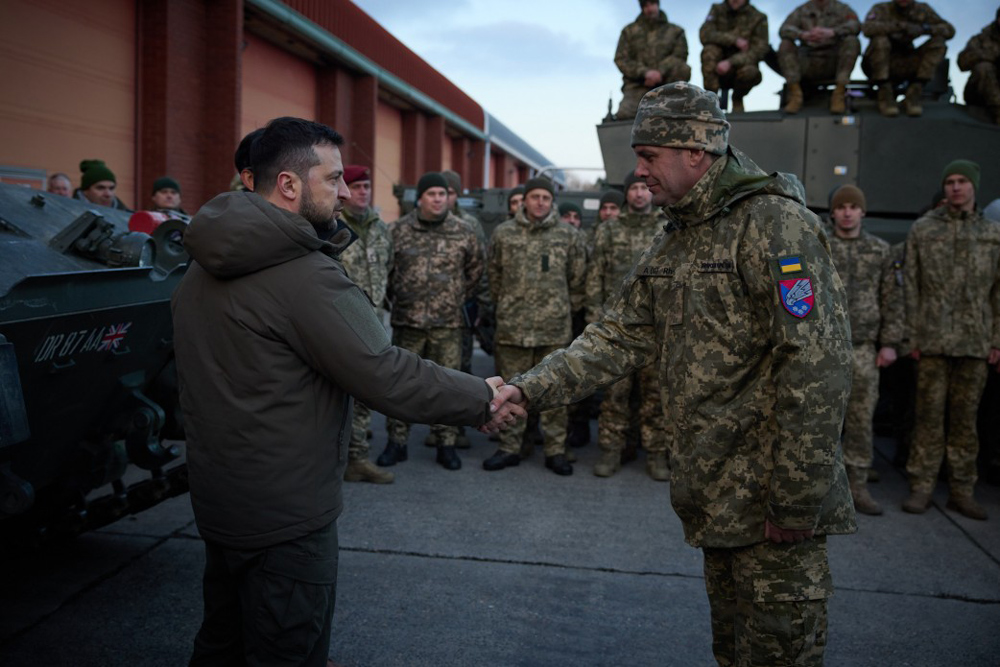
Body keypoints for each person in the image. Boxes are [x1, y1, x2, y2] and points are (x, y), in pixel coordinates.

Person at [486, 82, 856, 665]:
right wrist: (528, 390)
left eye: (649, 156)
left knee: (779, 655)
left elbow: (816, 366)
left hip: (770, 504)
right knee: (734, 651)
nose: (640, 172)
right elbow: (617, 335)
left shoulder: (774, 226)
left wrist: (794, 500)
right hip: (717, 497)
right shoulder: (678, 237)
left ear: (695, 152)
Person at [172, 118, 513, 667]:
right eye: (331, 180)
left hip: (224, 501)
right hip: (287, 515)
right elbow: (383, 371)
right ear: (288, 184)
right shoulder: (303, 274)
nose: (344, 193)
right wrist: (479, 396)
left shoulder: (204, 261)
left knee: (222, 642)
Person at [902, 159, 1000, 521]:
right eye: (950, 182)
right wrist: (910, 334)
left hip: (975, 342)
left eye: (962, 181)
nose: (955, 187)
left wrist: (996, 339)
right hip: (931, 340)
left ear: (974, 186)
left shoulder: (993, 234)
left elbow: (998, 293)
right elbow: (910, 285)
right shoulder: (923, 230)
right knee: (927, 417)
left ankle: (962, 489)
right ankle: (922, 486)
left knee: (965, 420)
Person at [377, 172, 485, 471]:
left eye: (442, 193)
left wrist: (453, 299)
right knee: (401, 385)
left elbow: (475, 273)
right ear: (420, 198)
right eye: (431, 194)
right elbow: (385, 273)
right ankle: (396, 442)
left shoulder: (464, 232)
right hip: (407, 322)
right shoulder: (397, 230)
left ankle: (445, 444)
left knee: (449, 387)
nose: (438, 198)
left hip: (447, 325)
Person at [483, 177, 587, 476]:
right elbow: (494, 278)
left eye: (545, 197)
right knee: (507, 392)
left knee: (555, 393)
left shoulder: (569, 236)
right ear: (524, 200)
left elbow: (577, 281)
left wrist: (560, 309)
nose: (540, 202)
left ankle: (555, 450)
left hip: (553, 331)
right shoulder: (503, 234)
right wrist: (507, 307)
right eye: (534, 196)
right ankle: (510, 447)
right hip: (513, 330)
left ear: (551, 201)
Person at [586, 171, 669, 481]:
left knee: (655, 398)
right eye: (633, 188)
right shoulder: (609, 231)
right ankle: (610, 451)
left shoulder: (667, 228)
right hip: (617, 329)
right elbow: (594, 277)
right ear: (626, 194)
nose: (639, 193)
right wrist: (594, 320)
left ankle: (657, 455)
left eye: (644, 187)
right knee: (615, 396)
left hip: (656, 327)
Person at [827, 184, 904, 515]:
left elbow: (893, 299)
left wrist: (889, 343)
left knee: (860, 420)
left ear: (863, 212)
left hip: (862, 348)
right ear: (833, 212)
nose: (847, 212)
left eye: (853, 207)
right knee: (822, 421)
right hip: (825, 346)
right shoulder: (820, 246)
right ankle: (821, 491)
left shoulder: (880, 251)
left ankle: (857, 487)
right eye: (841, 206)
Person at [338, 164, 395, 484]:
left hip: (373, 323)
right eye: (356, 186)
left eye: (367, 186)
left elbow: (389, 269)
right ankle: (339, 458)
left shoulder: (379, 228)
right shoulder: (330, 227)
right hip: (339, 324)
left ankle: (356, 458)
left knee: (364, 391)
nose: (362, 192)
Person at [861, 0, 955, 117]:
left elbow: (949, 30)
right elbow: (867, 28)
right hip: (880, 64)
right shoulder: (882, 8)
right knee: (880, 41)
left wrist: (924, 28)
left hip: (907, 62)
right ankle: (885, 93)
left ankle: (914, 92)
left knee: (938, 43)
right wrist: (899, 27)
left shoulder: (922, 9)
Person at [777, 0, 862, 114]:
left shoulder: (842, 9)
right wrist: (803, 35)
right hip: (808, 61)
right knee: (785, 44)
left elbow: (855, 25)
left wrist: (833, 32)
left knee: (852, 41)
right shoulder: (802, 10)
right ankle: (795, 95)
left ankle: (839, 93)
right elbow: (785, 29)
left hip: (832, 62)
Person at [614, 0, 691, 119]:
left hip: (668, 84)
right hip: (639, 85)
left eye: (652, 4)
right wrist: (644, 73)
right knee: (625, 115)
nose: (649, 8)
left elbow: (680, 55)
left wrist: (660, 72)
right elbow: (621, 59)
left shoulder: (675, 31)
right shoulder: (629, 32)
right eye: (645, 5)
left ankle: (677, 105)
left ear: (658, 4)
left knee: (683, 69)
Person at [699, 0, 770, 113]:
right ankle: (710, 101)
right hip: (717, 67)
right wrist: (733, 40)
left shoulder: (758, 17)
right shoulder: (717, 10)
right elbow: (705, 34)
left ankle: (737, 99)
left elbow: (760, 49)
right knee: (709, 51)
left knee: (750, 72)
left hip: (741, 67)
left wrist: (731, 62)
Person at [957, 8, 1000, 125]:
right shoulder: (981, 39)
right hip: (979, 94)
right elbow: (962, 62)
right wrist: (991, 56)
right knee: (984, 67)